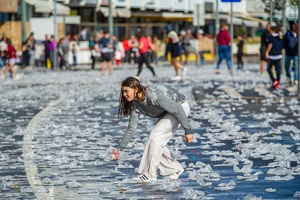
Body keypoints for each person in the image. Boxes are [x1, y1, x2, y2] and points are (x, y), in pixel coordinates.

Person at [111, 77, 194, 182]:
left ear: (136, 89)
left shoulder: (153, 96)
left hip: (181, 107)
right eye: (123, 92)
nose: (124, 94)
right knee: (154, 141)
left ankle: (150, 174)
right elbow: (131, 128)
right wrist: (119, 148)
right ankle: (174, 169)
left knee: (155, 136)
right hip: (168, 111)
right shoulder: (135, 104)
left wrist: (188, 130)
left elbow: (177, 109)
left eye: (127, 91)